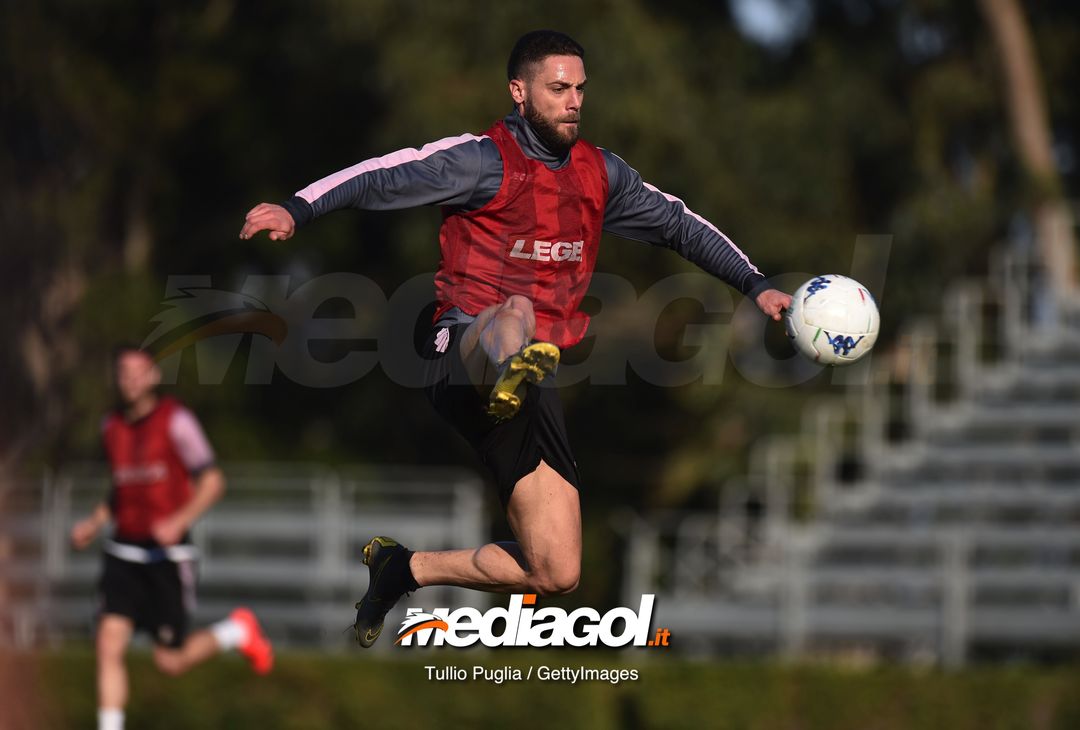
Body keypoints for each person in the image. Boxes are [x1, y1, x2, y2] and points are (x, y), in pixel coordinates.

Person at [239, 29, 791, 647]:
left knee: (556, 572)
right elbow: (382, 175)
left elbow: (680, 225)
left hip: (529, 380)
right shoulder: (481, 160)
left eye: (580, 89)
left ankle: (404, 568)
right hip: (458, 351)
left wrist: (755, 284)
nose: (573, 101)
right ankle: (510, 367)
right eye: (558, 89)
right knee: (516, 310)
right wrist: (298, 208)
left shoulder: (601, 174)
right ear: (519, 91)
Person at [71, 346, 273, 730]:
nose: (130, 379)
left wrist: (178, 520)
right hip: (123, 553)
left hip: (167, 557)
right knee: (107, 644)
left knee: (170, 662)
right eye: (123, 372)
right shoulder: (110, 427)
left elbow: (213, 481)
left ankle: (238, 630)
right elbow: (121, 490)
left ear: (153, 377)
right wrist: (94, 523)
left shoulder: (176, 421)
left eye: (138, 371)